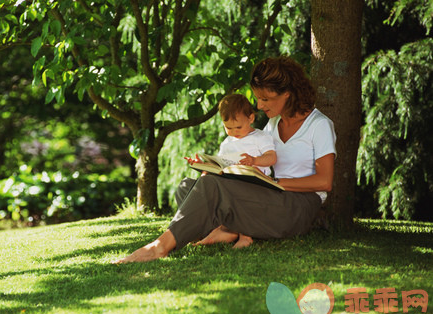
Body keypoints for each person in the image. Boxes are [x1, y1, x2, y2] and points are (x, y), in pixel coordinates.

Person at [113, 56, 336, 264]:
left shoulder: (319, 125)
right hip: (271, 196)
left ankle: (160, 246)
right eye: (257, 98)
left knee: (209, 189)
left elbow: (324, 182)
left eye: (265, 99)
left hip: (298, 206)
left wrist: (277, 184)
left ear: (287, 93)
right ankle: (229, 232)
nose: (259, 106)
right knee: (188, 188)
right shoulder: (272, 124)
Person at [184, 93, 277, 248]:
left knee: (243, 196)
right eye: (228, 127)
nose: (234, 131)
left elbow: (271, 157)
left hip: (257, 183)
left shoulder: (260, 137)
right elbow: (220, 164)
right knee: (208, 182)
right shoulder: (227, 143)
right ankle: (222, 231)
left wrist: (254, 161)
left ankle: (245, 236)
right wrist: (204, 165)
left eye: (238, 127)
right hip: (232, 181)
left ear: (251, 119)